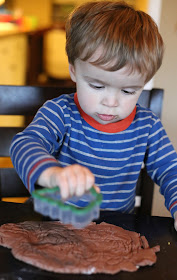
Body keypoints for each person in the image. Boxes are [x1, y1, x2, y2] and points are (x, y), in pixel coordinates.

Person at [10, 1, 177, 229]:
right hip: (49, 224)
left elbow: (170, 169)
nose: (110, 102)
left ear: (143, 84)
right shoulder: (60, 113)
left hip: (113, 232)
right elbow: (25, 143)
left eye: (128, 91)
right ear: (74, 71)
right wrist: (49, 173)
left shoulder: (147, 126)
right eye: (97, 86)